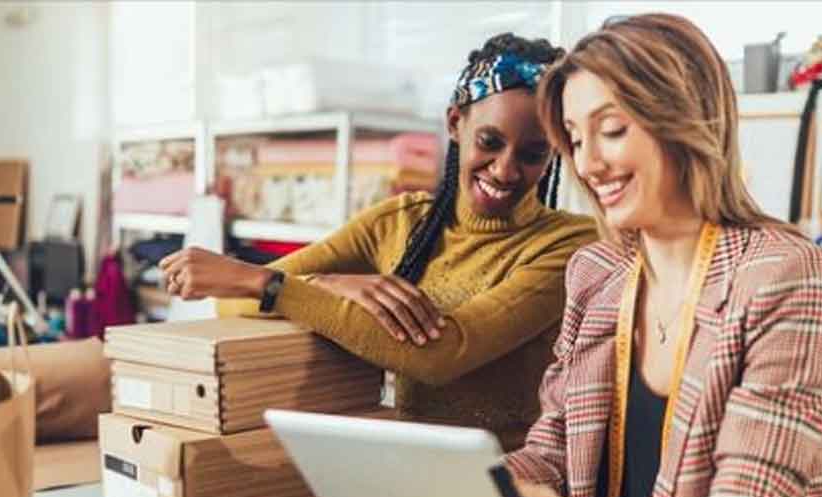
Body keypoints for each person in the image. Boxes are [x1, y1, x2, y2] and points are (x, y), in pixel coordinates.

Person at [468, 14, 822, 497]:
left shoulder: (786, 278)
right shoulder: (596, 274)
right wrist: (472, 489)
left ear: (685, 121)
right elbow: (557, 453)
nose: (589, 162)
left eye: (611, 130)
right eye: (574, 136)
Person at [159, 33, 598, 451]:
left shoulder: (568, 246)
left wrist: (277, 286)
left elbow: (444, 354)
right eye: (490, 142)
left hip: (511, 486)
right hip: (405, 469)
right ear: (454, 123)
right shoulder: (399, 222)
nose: (504, 170)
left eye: (532, 154)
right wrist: (326, 284)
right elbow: (232, 301)